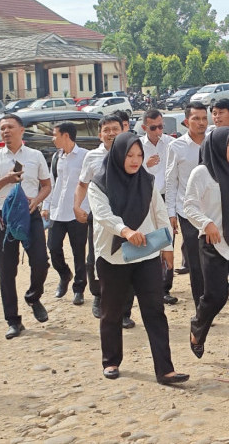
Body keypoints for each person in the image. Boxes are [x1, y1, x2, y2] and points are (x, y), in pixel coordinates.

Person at [88, 133, 189, 385]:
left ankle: (165, 370)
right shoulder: (99, 184)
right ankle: (111, 360)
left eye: (139, 156)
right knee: (112, 311)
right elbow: (102, 215)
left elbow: (159, 210)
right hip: (113, 256)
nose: (135, 161)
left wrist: (167, 246)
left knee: (155, 310)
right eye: (130, 155)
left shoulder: (147, 180)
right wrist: (125, 231)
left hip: (146, 254)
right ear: (118, 156)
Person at [0, 114, 51, 340]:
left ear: (22, 130)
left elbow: (47, 185)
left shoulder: (35, 155)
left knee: (40, 261)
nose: (5, 131)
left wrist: (36, 201)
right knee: (6, 271)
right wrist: (5, 181)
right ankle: (13, 320)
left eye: (10, 127)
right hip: (4, 218)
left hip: (30, 215)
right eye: (2, 129)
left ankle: (33, 296)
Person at [185, 127, 229, 364]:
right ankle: (197, 328)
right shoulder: (202, 172)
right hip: (213, 241)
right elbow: (189, 205)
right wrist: (206, 222)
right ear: (217, 146)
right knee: (216, 295)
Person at [74, 115, 135, 328]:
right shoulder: (91, 157)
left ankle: (125, 312)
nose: (111, 133)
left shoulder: (132, 153)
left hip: (128, 215)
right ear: (100, 134)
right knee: (96, 257)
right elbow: (82, 184)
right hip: (99, 217)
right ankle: (98, 296)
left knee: (130, 260)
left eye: (115, 129)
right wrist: (77, 205)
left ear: (123, 130)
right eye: (106, 130)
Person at [165, 102, 208, 306]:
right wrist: (171, 213)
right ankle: (200, 303)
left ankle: (213, 297)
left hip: (213, 211)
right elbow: (171, 180)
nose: (201, 123)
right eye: (196, 119)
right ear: (186, 121)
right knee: (195, 261)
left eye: (203, 118)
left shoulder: (214, 142)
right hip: (187, 212)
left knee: (214, 257)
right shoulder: (176, 147)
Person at [41, 122, 89, 305]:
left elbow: (89, 184)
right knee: (53, 247)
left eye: (55, 135)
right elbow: (52, 183)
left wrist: (87, 209)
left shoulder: (84, 156)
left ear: (66, 136)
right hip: (58, 211)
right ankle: (64, 274)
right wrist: (46, 205)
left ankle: (79, 289)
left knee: (79, 252)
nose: (53, 139)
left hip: (78, 211)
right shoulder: (56, 157)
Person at [140, 109, 177, 305]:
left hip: (166, 196)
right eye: (153, 127)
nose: (158, 131)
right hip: (146, 197)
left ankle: (165, 287)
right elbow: (132, 171)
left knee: (168, 239)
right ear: (144, 127)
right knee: (150, 239)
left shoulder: (170, 144)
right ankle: (149, 285)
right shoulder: (138, 146)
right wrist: (145, 164)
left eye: (161, 126)